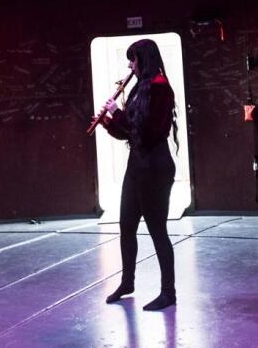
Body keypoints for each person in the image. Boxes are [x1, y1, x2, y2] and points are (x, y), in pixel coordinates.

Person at [99, 38, 178, 311]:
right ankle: (127, 282)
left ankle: (169, 292)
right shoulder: (139, 88)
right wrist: (109, 121)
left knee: (157, 230)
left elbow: (146, 133)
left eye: (133, 60)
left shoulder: (159, 89)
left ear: (143, 60)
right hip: (137, 167)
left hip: (155, 168)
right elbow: (129, 132)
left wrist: (117, 113)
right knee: (126, 226)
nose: (130, 66)